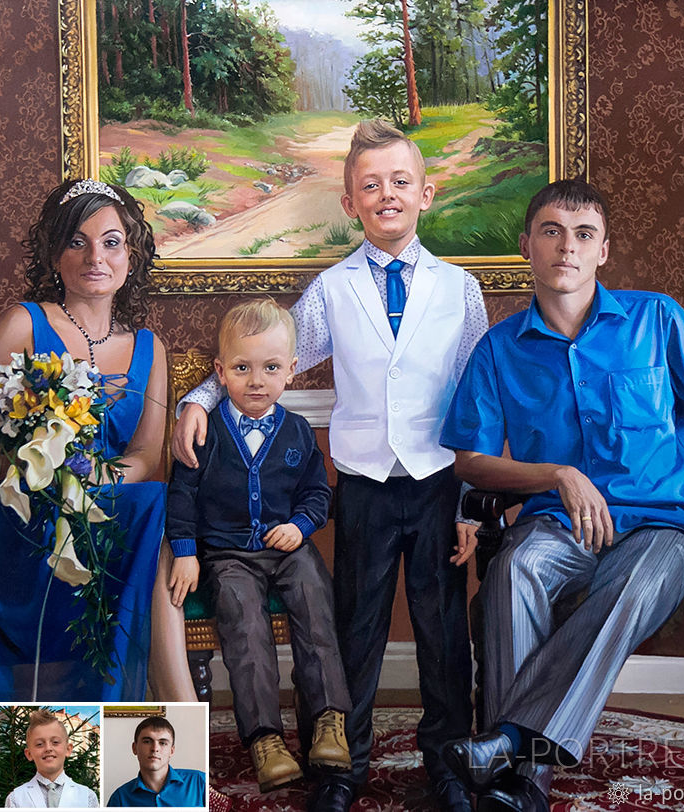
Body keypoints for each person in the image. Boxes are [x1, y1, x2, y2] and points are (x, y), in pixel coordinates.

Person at [439, 179, 684, 812]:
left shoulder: (656, 318)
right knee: (513, 568)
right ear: (526, 245)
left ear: (603, 250)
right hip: (557, 525)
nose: (567, 247)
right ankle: (526, 788)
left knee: (634, 578)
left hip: (667, 526)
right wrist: (558, 475)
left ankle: (508, 745)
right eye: (552, 232)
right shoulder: (498, 349)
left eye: (584, 234)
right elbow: (470, 461)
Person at [172, 120, 489, 812]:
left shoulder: (460, 288)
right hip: (364, 484)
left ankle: (446, 762)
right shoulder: (331, 289)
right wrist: (198, 399)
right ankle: (344, 765)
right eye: (370, 186)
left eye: (400, 181)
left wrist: (470, 503)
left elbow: (477, 400)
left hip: (437, 482)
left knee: (442, 630)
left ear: (426, 193)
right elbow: (268, 357)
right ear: (350, 203)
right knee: (354, 629)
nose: (386, 195)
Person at [0, 177, 196, 702]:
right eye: (77, 242)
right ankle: (179, 708)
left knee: (154, 505)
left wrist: (95, 478)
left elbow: (144, 455)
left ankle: (172, 705)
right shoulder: (21, 324)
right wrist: (30, 470)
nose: (96, 257)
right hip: (11, 513)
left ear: (132, 256)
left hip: (97, 504)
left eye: (111, 242)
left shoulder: (150, 347)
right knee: (151, 512)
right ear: (53, 255)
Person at [166, 298, 351, 793]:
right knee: (244, 623)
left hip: (288, 549)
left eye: (271, 368)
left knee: (316, 600)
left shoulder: (297, 431)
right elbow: (180, 495)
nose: (256, 381)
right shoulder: (205, 431)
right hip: (228, 556)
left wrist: (301, 525)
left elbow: (316, 492)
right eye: (242, 368)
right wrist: (185, 551)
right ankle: (265, 738)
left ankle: (328, 720)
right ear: (220, 372)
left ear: (291, 370)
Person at [4, 710, 98, 808]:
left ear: (68, 749)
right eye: (39, 744)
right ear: (29, 754)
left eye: (55, 742)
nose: (48, 748)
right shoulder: (15, 799)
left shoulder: (88, 797)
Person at [107, 716, 206, 807]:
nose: (155, 748)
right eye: (147, 741)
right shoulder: (120, 798)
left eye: (163, 743)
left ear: (171, 751)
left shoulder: (200, 782)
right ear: (134, 748)